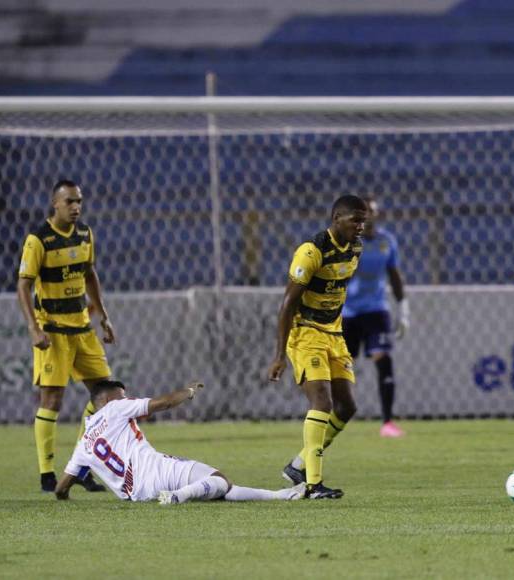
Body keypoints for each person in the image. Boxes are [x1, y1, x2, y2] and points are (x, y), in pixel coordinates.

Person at [17, 179, 116, 493]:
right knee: (53, 399)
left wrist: (104, 316)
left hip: (83, 328)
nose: (76, 207)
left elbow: (90, 274)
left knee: (106, 396)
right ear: (55, 204)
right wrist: (34, 327)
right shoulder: (39, 240)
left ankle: (82, 467)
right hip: (53, 331)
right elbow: (23, 286)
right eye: (70, 201)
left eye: (79, 202)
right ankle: (47, 474)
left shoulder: (86, 234)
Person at [267, 195, 368, 499]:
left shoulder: (355, 249)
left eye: (364, 221)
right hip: (305, 333)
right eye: (355, 220)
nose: (361, 227)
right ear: (337, 218)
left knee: (347, 407)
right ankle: (312, 485)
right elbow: (287, 305)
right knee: (321, 403)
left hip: (334, 334)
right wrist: (279, 355)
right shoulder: (311, 251)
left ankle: (298, 465)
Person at [54, 380, 304, 503]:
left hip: (137, 495)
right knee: (220, 480)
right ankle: (178, 496)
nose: (127, 398)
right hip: (155, 471)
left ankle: (281, 496)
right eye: (123, 395)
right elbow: (163, 403)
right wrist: (189, 391)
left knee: (219, 490)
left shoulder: (84, 442)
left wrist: (66, 495)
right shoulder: (116, 408)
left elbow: (61, 489)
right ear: (108, 401)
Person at [342, 199, 409, 438]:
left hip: (376, 310)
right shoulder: (347, 242)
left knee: (383, 359)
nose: (369, 215)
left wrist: (403, 309)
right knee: (340, 366)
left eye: (372, 211)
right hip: (347, 311)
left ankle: (388, 422)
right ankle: (335, 415)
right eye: (364, 212)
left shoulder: (386, 241)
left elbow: (394, 275)